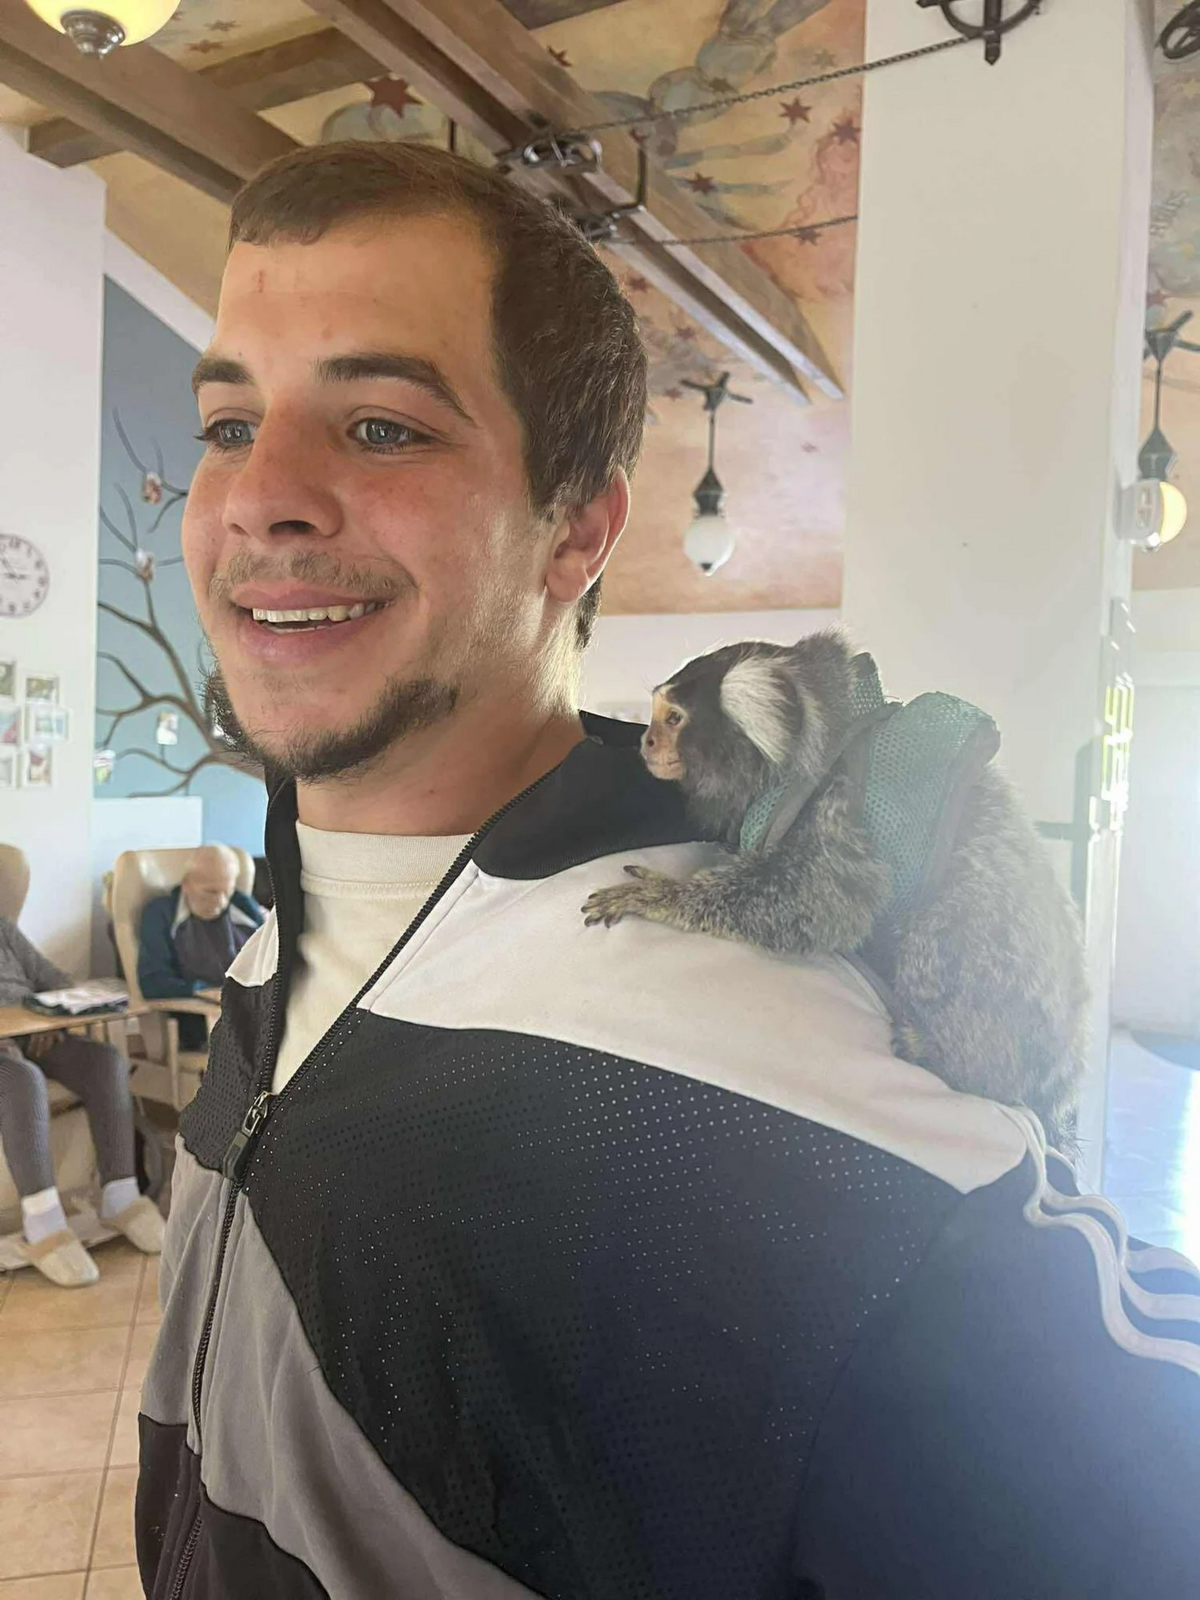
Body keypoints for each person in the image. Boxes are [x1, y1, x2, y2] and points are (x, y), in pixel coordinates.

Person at [135, 141, 1200, 1600]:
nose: (262, 495)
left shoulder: (764, 1068)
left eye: (381, 426)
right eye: (228, 424)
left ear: (576, 529)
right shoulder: (279, 933)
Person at [0, 915, 164, 1287]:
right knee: (23, 1079)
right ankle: (44, 1226)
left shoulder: (4, 930)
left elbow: (53, 978)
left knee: (106, 1062)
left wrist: (56, 1018)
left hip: (32, 1033)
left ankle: (121, 1197)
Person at [137, 844, 264, 1046]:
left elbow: (271, 957)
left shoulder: (242, 905)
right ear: (186, 884)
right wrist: (201, 990)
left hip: (251, 1008)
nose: (220, 902)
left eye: (227, 892)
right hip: (197, 1018)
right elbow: (152, 981)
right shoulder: (161, 913)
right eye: (211, 892)